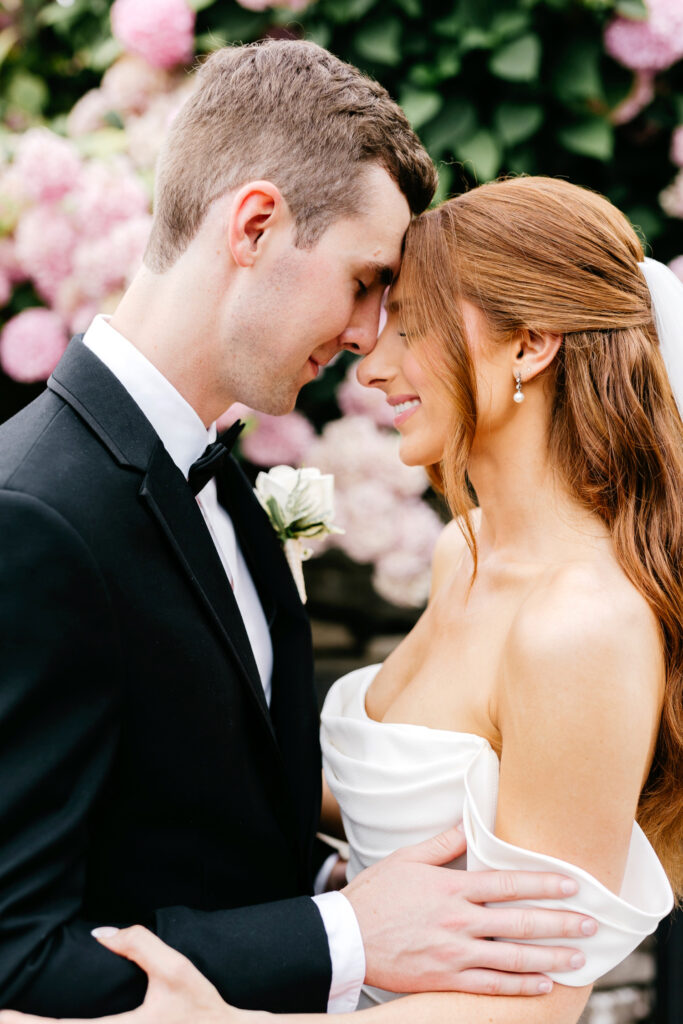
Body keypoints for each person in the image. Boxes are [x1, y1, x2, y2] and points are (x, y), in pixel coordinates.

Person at [0, 44, 595, 1020]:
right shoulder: (31, 518)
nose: (370, 333)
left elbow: (204, 828)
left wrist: (339, 896)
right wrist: (348, 932)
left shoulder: (229, 487)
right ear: (255, 225)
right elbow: (16, 957)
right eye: (365, 280)